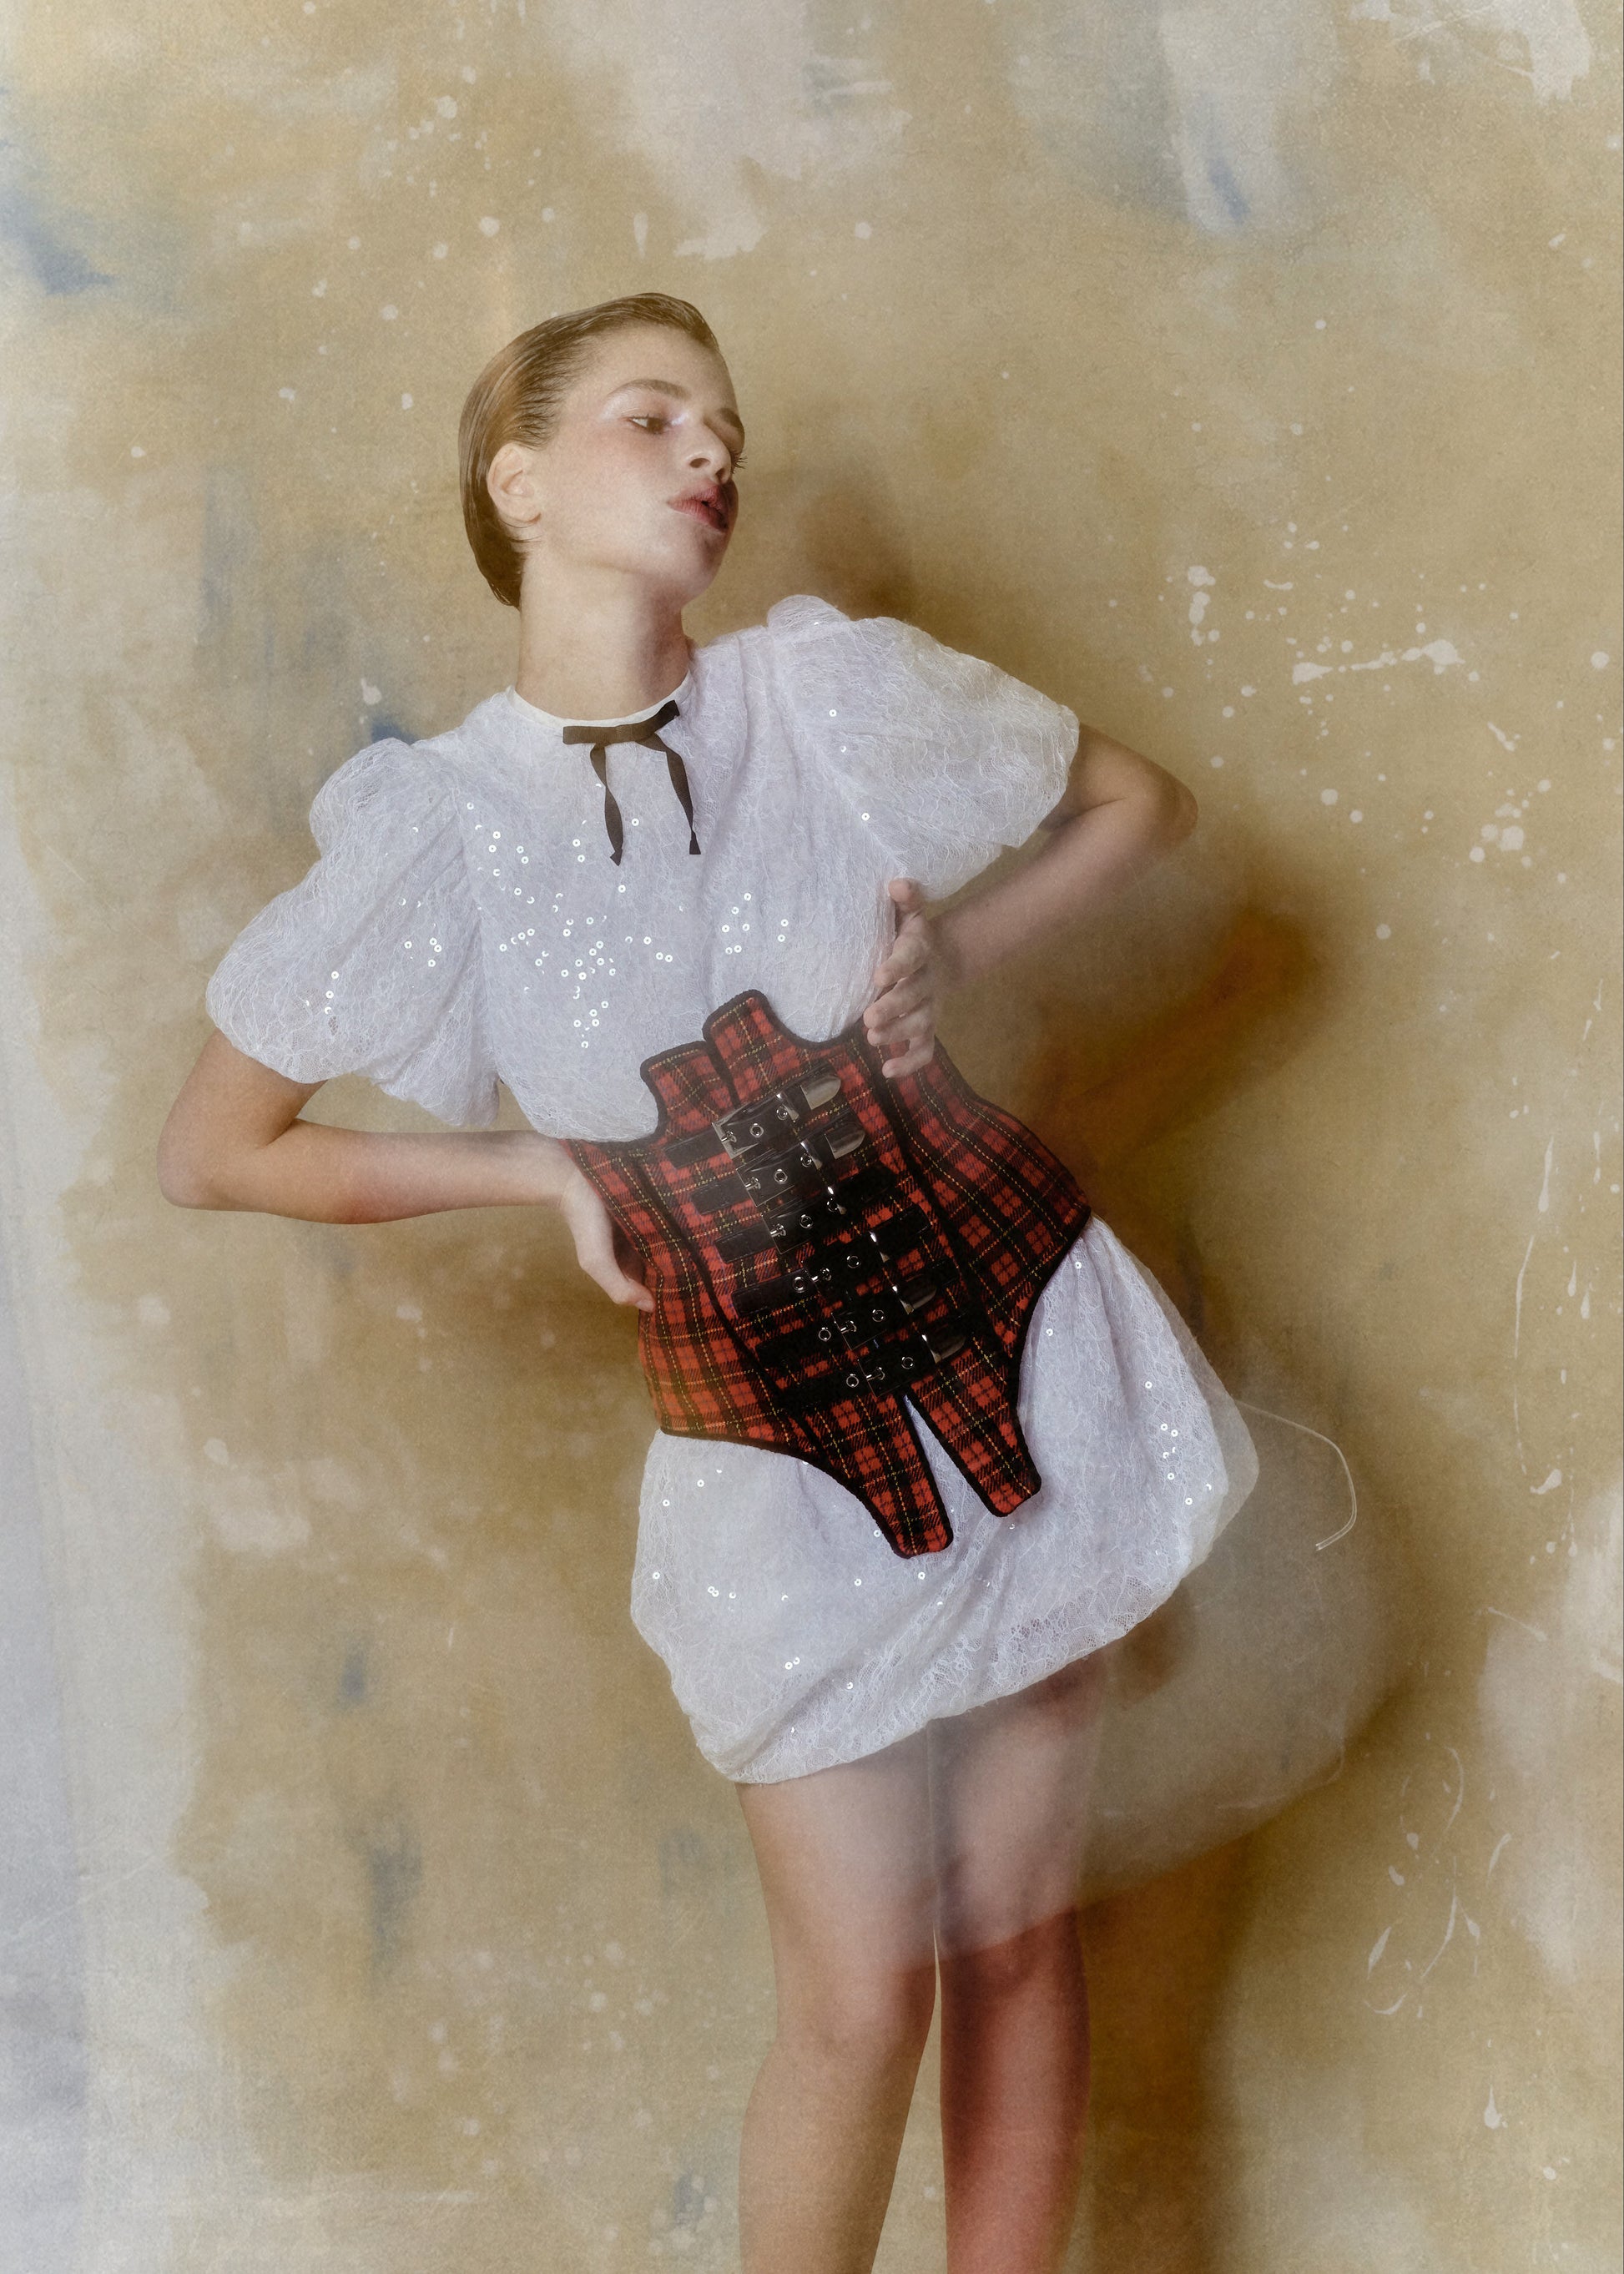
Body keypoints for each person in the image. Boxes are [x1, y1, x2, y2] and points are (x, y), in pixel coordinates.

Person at [158, 292, 1259, 2274]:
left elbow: (1141, 808)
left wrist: (961, 956)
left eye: (724, 426)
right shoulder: (446, 824)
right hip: (771, 1447)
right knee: (857, 1999)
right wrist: (526, 1164)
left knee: (1016, 1941)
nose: (708, 452)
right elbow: (217, 1145)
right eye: (651, 416)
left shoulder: (825, 699)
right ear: (518, 485)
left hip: (1021, 1337)